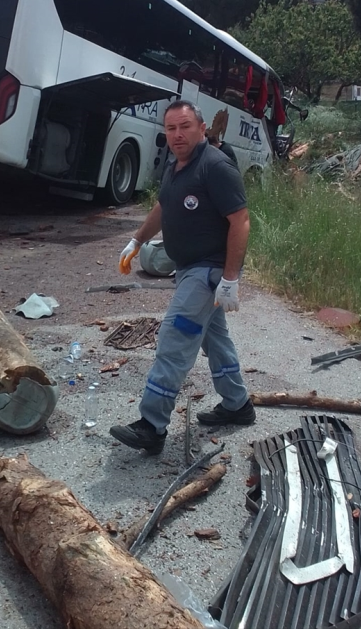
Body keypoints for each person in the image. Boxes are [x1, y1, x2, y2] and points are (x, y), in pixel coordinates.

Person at [110, 100, 254, 455]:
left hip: (208, 272)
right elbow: (164, 205)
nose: (177, 134)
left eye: (185, 126)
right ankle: (238, 405)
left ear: (202, 128)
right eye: (171, 128)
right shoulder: (177, 166)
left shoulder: (215, 166)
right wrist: (137, 240)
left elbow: (241, 221)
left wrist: (230, 278)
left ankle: (152, 426)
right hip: (189, 269)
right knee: (215, 340)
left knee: (175, 339)